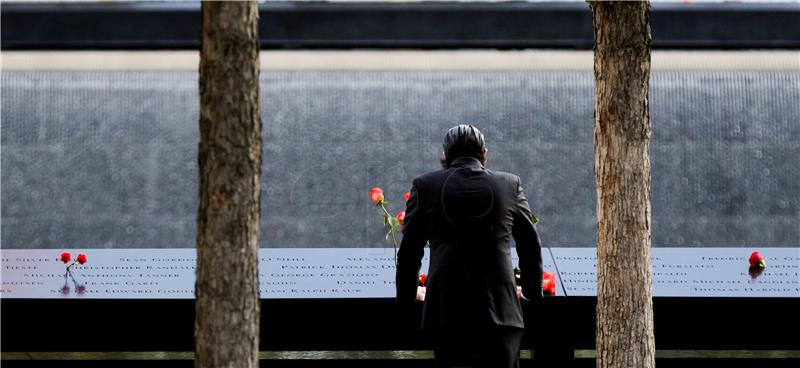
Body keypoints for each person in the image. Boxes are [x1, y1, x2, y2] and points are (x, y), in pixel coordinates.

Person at [396, 124, 543, 368]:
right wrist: (531, 293)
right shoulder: (509, 185)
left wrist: (407, 297)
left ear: (445, 155)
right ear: (484, 152)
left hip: (446, 311)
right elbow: (530, 243)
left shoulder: (425, 186)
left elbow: (410, 251)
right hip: (501, 309)